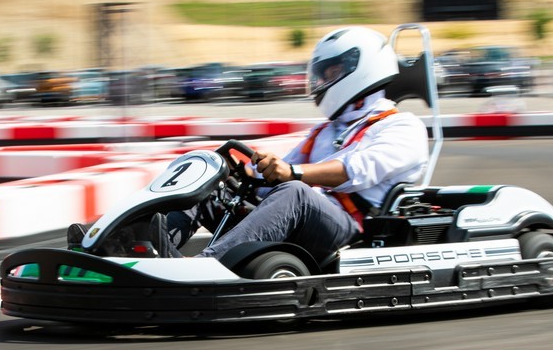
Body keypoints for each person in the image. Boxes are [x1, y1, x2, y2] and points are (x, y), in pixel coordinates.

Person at [154, 26, 429, 262]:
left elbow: (355, 170)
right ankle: (152, 250)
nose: (322, 82)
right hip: (302, 215)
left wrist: (293, 173)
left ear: (362, 70)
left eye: (331, 74)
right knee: (214, 187)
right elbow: (278, 172)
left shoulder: (403, 126)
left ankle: (206, 267)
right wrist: (240, 172)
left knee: (295, 192)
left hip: (349, 226)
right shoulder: (325, 131)